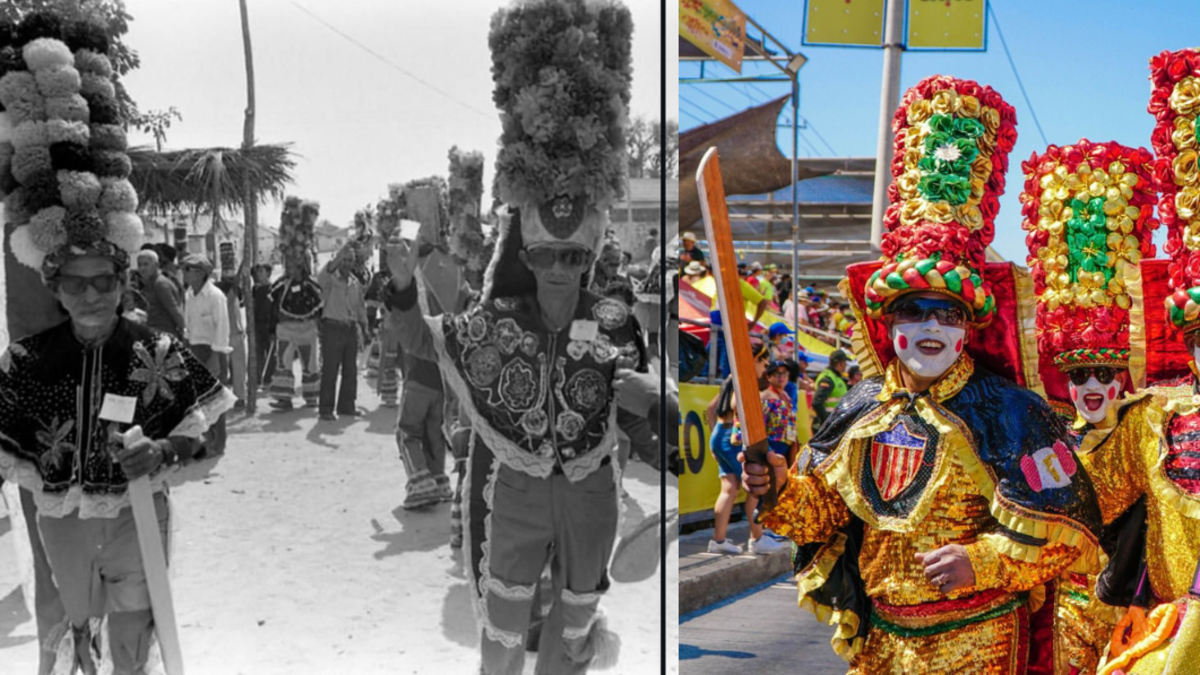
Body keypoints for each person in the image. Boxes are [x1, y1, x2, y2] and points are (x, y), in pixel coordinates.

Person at [742, 75, 1103, 673]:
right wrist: (780, 490)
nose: (931, 326)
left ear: (968, 327)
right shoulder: (860, 408)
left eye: (948, 313)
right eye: (914, 310)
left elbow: (1070, 535)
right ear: (888, 325)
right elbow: (826, 516)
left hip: (981, 640)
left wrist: (982, 561)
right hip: (881, 641)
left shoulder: (1011, 412)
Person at [380, 3, 642, 670]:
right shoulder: (494, 322)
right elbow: (419, 335)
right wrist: (405, 283)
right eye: (548, 256)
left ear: (592, 255)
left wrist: (658, 406)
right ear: (526, 251)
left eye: (574, 258)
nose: (560, 270)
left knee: (575, 631)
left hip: (591, 498)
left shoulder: (614, 320)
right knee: (500, 637)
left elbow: (640, 411)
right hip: (513, 495)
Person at [0, 153, 235, 675]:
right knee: (73, 632)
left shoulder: (157, 350)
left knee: (133, 634)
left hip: (138, 517)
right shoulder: (25, 363)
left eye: (103, 282)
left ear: (122, 284)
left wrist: (163, 451)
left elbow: (199, 434)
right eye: (76, 284)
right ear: (56, 289)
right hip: (62, 523)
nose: (90, 296)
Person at [1014, 139, 1162, 674]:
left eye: (1105, 373)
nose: (1093, 385)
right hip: (1064, 610)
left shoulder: (1149, 430)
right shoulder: (1048, 436)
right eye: (1080, 376)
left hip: (1138, 607)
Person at [704, 346, 785, 556]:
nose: (765, 369)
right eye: (764, 364)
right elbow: (735, 405)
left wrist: (715, 437)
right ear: (755, 359)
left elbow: (710, 409)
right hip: (732, 436)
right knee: (755, 486)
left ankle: (718, 540)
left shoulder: (731, 377)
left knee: (729, 489)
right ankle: (757, 538)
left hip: (720, 434)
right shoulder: (743, 378)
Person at [316, 242, 369, 421]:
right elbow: (322, 276)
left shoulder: (355, 283)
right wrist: (338, 256)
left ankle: (346, 406)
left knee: (350, 370)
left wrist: (364, 326)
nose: (347, 263)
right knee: (330, 370)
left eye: (350, 260)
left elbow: (360, 306)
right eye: (344, 259)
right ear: (339, 260)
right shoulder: (330, 279)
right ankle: (325, 409)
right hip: (332, 328)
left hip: (350, 329)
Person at [268, 251, 324, 410]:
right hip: (285, 330)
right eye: (288, 265)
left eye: (292, 265)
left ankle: (312, 397)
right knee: (283, 363)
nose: (289, 268)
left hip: (307, 330)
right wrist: (272, 330)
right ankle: (284, 399)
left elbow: (319, 310)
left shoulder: (312, 286)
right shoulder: (280, 285)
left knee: (310, 363)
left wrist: (320, 329)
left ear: (302, 266)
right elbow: (273, 309)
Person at [135, 249, 186, 339]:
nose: (142, 268)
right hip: (153, 334)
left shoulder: (160, 284)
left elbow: (174, 311)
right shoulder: (149, 283)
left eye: (146, 264)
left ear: (156, 265)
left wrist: (185, 333)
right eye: (139, 265)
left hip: (164, 337)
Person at [251, 263, 277, 387]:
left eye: (261, 271)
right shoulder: (255, 289)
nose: (258, 274)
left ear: (268, 273)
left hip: (269, 325)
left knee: (271, 353)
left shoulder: (273, 289)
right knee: (258, 353)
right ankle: (257, 379)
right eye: (258, 272)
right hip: (257, 324)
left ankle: (268, 378)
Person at [811, 349, 849, 429]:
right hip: (829, 424)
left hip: (835, 421)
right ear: (841, 363)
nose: (846, 365)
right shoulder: (828, 379)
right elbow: (817, 402)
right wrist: (827, 421)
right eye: (845, 362)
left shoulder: (835, 377)